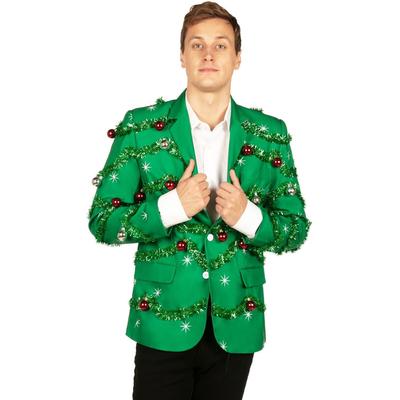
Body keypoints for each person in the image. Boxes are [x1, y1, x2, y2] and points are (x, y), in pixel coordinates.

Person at [87, 2, 311, 399]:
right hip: (162, 318)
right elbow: (103, 220)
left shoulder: (269, 134)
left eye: (221, 45)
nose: (208, 54)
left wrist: (249, 217)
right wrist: (171, 207)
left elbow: (295, 230)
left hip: (236, 321)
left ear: (237, 58)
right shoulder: (141, 127)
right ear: (182, 56)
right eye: (197, 45)